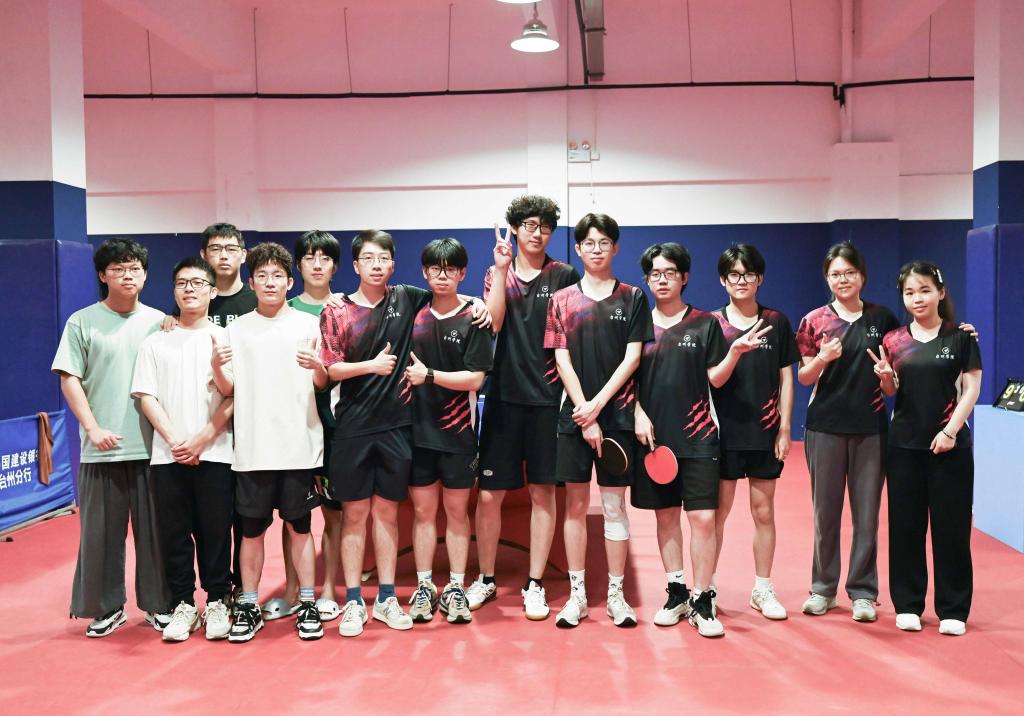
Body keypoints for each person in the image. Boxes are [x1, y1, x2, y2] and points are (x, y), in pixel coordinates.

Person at [319, 231, 489, 637]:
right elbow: (330, 369)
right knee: (354, 515)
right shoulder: (337, 310)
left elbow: (450, 296)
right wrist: (370, 366)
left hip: (398, 427)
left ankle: (387, 598)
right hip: (352, 428)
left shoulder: (408, 298)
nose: (377, 265)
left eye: (384, 258)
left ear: (394, 265)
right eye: (368, 258)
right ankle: (355, 601)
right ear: (355, 265)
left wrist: (479, 302)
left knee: (387, 514)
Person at [631, 243, 763, 638]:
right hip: (654, 440)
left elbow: (716, 379)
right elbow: (626, 376)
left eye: (670, 272)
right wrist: (636, 412)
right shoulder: (638, 326)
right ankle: (676, 593)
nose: (662, 279)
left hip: (700, 436)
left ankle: (703, 598)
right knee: (666, 516)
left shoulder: (705, 324)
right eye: (655, 273)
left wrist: (735, 353)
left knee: (703, 519)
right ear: (647, 279)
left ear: (684, 277)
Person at [51, 238, 170, 637]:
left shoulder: (160, 321)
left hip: (152, 448)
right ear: (103, 275)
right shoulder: (82, 322)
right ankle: (107, 607)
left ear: (145, 274)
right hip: (102, 449)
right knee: (100, 535)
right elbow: (70, 378)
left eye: (134, 268)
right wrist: (92, 428)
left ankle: (159, 605)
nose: (127, 275)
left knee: (156, 535)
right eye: (118, 269)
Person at [470, 195, 580, 620]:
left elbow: (570, 338)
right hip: (502, 398)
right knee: (489, 495)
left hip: (548, 401)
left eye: (545, 226)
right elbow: (494, 323)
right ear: (514, 228)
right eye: (529, 225)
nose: (537, 233)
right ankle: (486, 578)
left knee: (542, 493)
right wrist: (500, 270)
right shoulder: (496, 273)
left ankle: (535, 583)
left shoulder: (564, 275)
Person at [543, 212, 654, 628]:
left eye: (604, 242)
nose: (596, 249)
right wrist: (584, 412)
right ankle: (577, 596)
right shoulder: (561, 300)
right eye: (588, 243)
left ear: (615, 247)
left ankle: (616, 595)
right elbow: (561, 359)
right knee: (574, 505)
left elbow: (633, 357)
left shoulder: (632, 297)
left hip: (617, 415)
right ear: (578, 248)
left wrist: (598, 406)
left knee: (613, 505)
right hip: (574, 417)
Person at [221, 242, 328, 643]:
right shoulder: (236, 330)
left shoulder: (308, 324)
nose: (270, 282)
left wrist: (319, 368)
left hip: (298, 446)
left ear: (289, 282)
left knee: (300, 528)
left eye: (277, 276)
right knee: (251, 532)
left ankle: (307, 602)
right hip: (252, 450)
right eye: (262, 276)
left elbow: (321, 383)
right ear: (251, 282)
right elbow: (227, 387)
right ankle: (249, 604)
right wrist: (216, 366)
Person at [871, 261, 981, 636]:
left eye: (924, 290)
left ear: (940, 293)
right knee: (906, 527)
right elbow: (892, 391)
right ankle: (908, 604)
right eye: (909, 292)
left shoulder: (961, 337)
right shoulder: (893, 340)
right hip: (904, 445)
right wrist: (886, 378)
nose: (917, 298)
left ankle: (953, 608)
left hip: (951, 447)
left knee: (952, 529)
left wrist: (950, 431)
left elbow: (972, 389)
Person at [131, 256, 235, 641]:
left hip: (216, 452)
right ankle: (183, 605)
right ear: (173, 290)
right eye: (181, 283)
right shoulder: (155, 342)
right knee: (174, 534)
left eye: (197, 283)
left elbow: (234, 395)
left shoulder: (226, 338)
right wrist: (176, 440)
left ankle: (219, 600)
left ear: (212, 291)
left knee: (215, 531)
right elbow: (146, 396)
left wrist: (204, 437)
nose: (189, 289)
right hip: (168, 454)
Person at [795, 242, 899, 622]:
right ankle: (822, 589)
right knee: (825, 514)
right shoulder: (813, 321)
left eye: (849, 273)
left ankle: (863, 592)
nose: (843, 279)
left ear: (862, 277)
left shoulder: (883, 319)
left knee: (867, 515)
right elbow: (805, 377)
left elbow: (892, 388)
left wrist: (886, 377)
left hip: (871, 428)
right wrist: (823, 358)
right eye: (835, 274)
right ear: (827, 278)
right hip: (824, 428)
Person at [710, 244, 799, 621]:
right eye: (734, 274)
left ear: (759, 278)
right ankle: (706, 587)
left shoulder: (776, 321)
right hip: (725, 434)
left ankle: (762, 588)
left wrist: (785, 427)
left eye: (748, 274)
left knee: (764, 512)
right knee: (717, 514)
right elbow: (713, 379)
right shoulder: (713, 324)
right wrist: (735, 351)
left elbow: (786, 377)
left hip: (764, 433)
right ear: (723, 280)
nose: (741, 280)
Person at [406, 239, 493, 625]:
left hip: (458, 435)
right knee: (423, 512)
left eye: (451, 269)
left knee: (457, 512)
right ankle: (425, 586)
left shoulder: (474, 317)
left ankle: (456, 586)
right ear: (425, 272)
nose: (442, 276)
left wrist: (429, 375)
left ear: (462, 273)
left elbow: (475, 378)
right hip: (417, 432)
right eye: (435, 269)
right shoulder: (413, 310)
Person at [270, 231, 345, 623]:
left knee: (334, 513)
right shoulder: (282, 308)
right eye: (310, 257)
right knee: (293, 513)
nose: (317, 264)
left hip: (335, 425)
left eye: (325, 258)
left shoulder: (347, 307)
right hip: (291, 424)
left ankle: (329, 588)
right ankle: (292, 589)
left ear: (336, 265)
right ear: (297, 266)